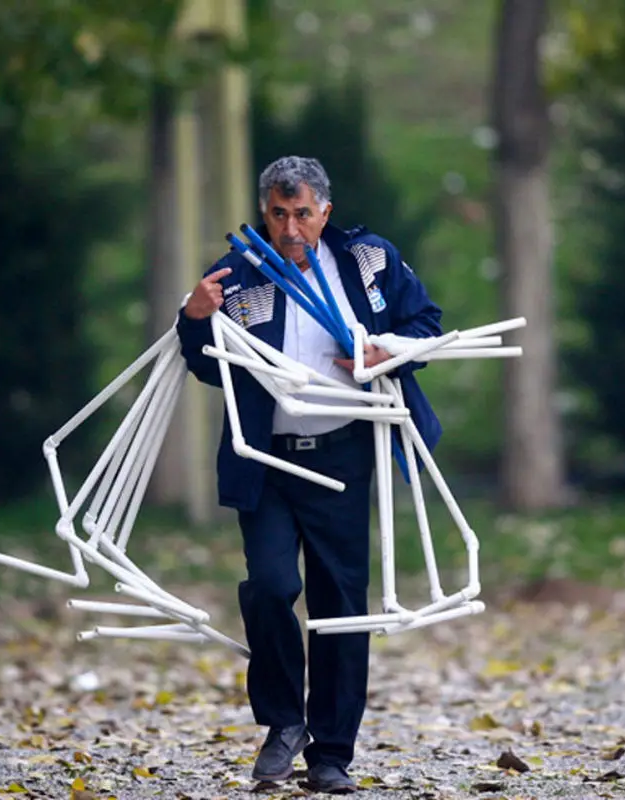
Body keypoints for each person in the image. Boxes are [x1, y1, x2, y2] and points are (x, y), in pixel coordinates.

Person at [175, 156, 443, 794]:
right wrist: (193, 317)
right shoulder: (238, 274)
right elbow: (211, 369)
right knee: (269, 586)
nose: (290, 228)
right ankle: (282, 723)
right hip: (265, 458)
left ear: (325, 210)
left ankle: (332, 755)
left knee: (340, 606)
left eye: (302, 213)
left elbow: (424, 325)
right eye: (277, 214)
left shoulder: (366, 260)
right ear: (263, 213)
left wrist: (383, 354)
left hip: (343, 453)